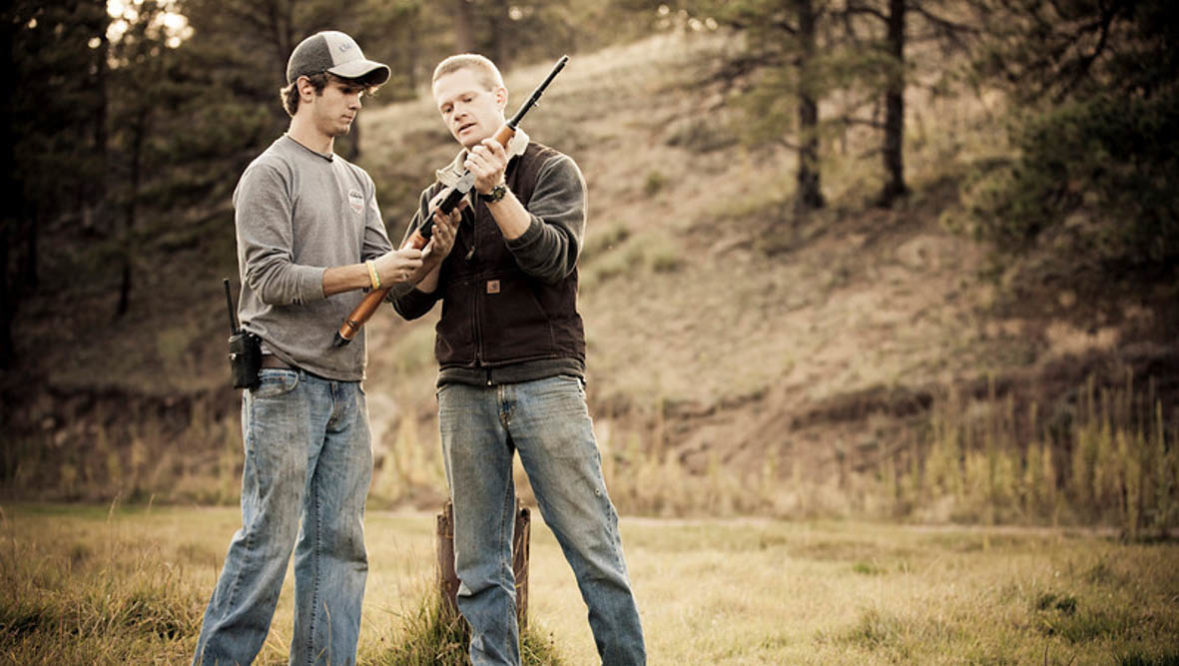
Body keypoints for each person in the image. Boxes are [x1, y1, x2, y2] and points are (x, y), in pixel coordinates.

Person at [192, 31, 458, 665]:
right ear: (305, 90)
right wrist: (371, 273)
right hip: (283, 382)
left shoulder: (357, 179)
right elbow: (270, 279)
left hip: (347, 387)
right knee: (267, 543)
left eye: (362, 90)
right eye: (346, 88)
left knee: (340, 547)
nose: (358, 100)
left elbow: (393, 282)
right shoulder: (269, 173)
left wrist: (432, 254)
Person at [393, 53, 646, 665]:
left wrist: (496, 192)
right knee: (479, 565)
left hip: (544, 381)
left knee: (593, 547)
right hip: (463, 388)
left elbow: (553, 259)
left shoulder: (553, 171)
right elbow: (406, 301)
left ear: (500, 97)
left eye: (467, 100)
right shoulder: (437, 191)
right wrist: (435, 254)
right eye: (446, 107)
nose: (457, 114)